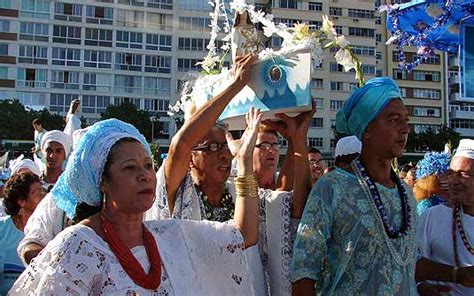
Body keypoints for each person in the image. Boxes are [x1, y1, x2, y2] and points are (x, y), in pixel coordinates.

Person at [10, 117, 261, 295]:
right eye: (130, 167)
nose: (145, 175)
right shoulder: (78, 246)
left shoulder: (168, 236)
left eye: (148, 166)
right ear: (103, 182)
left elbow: (244, 235)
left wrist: (245, 162)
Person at [148, 53, 315, 296]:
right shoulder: (178, 192)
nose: (225, 155)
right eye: (212, 148)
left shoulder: (238, 193)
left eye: (225, 147)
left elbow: (292, 207)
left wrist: (298, 139)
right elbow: (180, 144)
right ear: (191, 158)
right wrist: (236, 85)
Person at [291, 77, 417, 295]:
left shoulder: (406, 193)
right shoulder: (333, 188)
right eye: (394, 120)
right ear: (366, 129)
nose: (405, 129)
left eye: (406, 120)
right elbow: (304, 269)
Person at [416, 139, 474, 295]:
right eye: (451, 173)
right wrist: (422, 288)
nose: (453, 181)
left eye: (463, 174)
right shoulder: (432, 216)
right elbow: (412, 264)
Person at [17, 130, 72, 265]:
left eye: (58, 151)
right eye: (49, 150)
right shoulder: (30, 184)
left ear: (65, 155)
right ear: (42, 152)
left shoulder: (70, 188)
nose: (52, 155)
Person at [0, 172, 43, 294]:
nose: (43, 196)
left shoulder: (47, 232)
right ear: (21, 201)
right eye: (37, 192)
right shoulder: (1, 229)